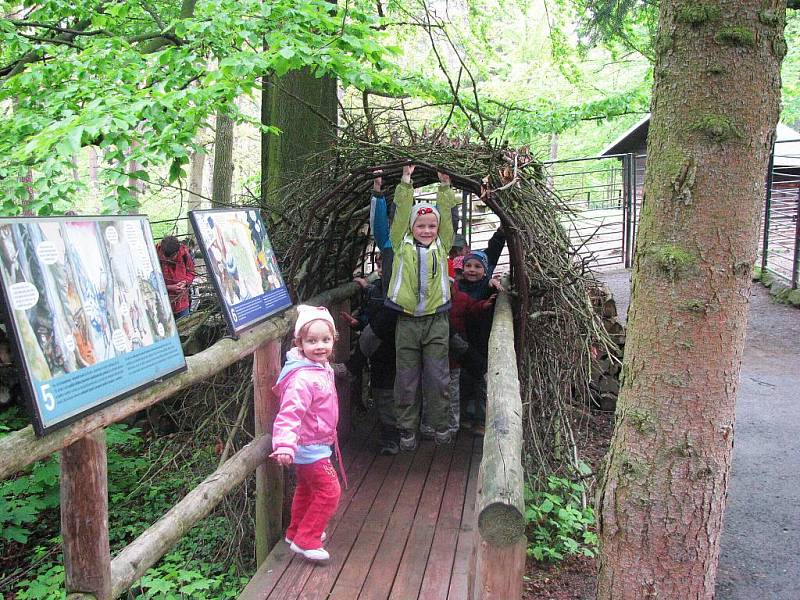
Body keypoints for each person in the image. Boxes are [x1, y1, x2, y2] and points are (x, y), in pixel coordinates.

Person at [385, 164, 460, 452]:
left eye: (431, 226)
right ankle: (407, 430)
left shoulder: (442, 244)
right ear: (412, 228)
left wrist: (445, 188)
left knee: (438, 377)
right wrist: (405, 182)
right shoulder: (399, 242)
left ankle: (440, 426)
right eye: (421, 226)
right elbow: (401, 213)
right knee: (406, 379)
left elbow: (449, 219)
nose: (426, 230)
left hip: (436, 321)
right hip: (406, 322)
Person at [270, 305, 343, 562]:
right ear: (299, 342)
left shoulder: (320, 367)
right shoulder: (303, 378)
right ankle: (307, 538)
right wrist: (285, 445)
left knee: (307, 488)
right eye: (312, 341)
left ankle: (294, 531)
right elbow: (290, 413)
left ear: (334, 339)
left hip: (316, 443)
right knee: (329, 491)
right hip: (308, 446)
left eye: (325, 339)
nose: (320, 346)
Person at [156, 236, 195, 320]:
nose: (169, 260)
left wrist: (185, 282)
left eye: (171, 257)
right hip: (163, 304)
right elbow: (151, 282)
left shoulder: (185, 255)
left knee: (185, 328)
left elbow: (191, 272)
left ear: (177, 252)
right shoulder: (154, 257)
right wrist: (169, 288)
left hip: (182, 302)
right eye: (166, 257)